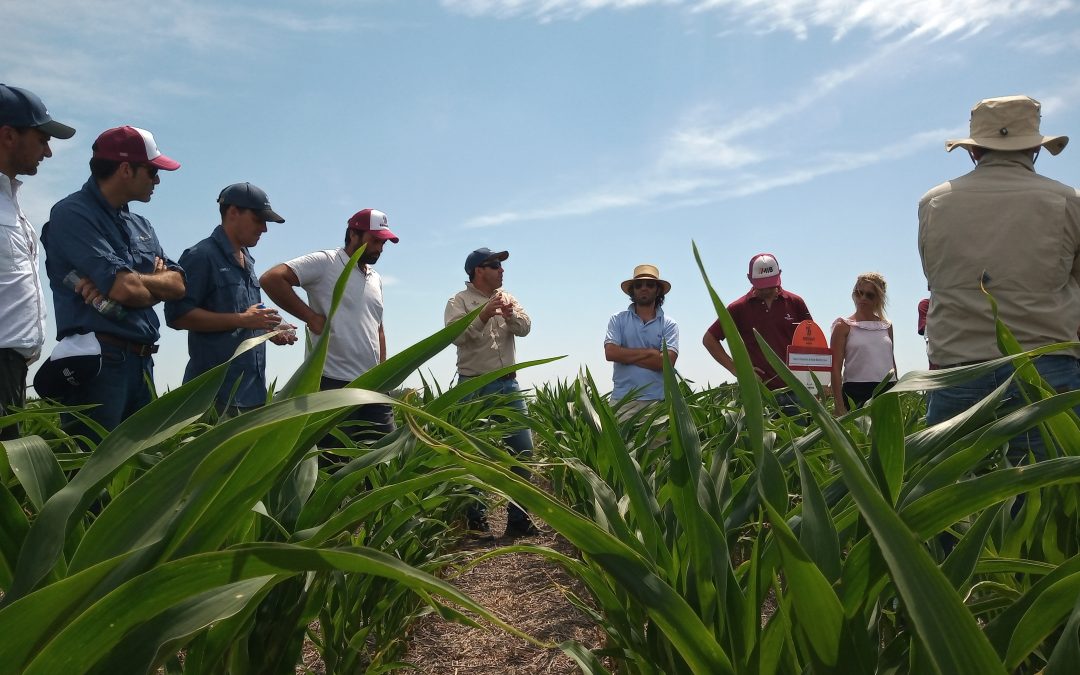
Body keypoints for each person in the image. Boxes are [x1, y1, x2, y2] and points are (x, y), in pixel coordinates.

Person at [919, 94, 1080, 459]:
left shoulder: (932, 203)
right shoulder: (1070, 202)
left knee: (950, 503)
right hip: (1044, 371)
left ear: (975, 151)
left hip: (957, 371)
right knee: (1046, 499)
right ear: (1035, 149)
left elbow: (934, 277)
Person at [42, 126, 184, 439]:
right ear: (125, 169)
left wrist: (138, 285)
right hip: (99, 363)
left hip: (142, 362)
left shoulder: (140, 223)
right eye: (152, 171)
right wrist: (151, 283)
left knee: (136, 474)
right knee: (92, 473)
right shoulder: (72, 214)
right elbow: (124, 289)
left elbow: (178, 285)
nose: (157, 180)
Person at [260, 208, 398, 445]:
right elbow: (272, 278)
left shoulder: (375, 278)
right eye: (375, 241)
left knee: (383, 459)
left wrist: (382, 372)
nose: (380, 248)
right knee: (333, 463)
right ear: (354, 235)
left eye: (383, 243)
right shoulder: (327, 262)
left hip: (373, 386)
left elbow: (378, 328)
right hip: (332, 383)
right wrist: (310, 317)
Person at [165, 183, 297, 416]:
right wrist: (242, 320)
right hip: (214, 397)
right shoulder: (201, 256)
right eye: (258, 220)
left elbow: (248, 315)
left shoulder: (247, 259)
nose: (264, 229)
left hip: (251, 392)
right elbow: (178, 316)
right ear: (233, 212)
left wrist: (271, 327)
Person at [444, 247, 538, 538]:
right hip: (473, 386)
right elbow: (455, 337)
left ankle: (518, 519)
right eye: (495, 265)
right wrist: (483, 315)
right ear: (478, 270)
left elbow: (525, 327)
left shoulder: (508, 297)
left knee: (523, 451)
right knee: (471, 454)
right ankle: (476, 521)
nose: (502, 270)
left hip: (508, 384)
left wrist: (510, 316)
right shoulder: (458, 301)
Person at [0, 84, 74, 440]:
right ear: (9, 135)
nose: (48, 150)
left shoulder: (11, 203)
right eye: (42, 137)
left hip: (11, 371)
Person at [702, 253, 812, 411]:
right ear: (749, 278)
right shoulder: (738, 308)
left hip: (797, 391)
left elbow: (813, 342)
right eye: (762, 285)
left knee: (799, 436)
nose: (767, 289)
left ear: (779, 274)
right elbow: (709, 339)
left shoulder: (795, 303)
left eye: (770, 283)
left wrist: (818, 382)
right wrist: (737, 369)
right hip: (760, 392)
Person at [603, 264, 679, 411]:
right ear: (633, 291)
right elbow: (611, 353)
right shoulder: (618, 319)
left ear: (658, 290)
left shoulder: (669, 324)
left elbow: (667, 363)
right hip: (622, 400)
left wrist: (625, 356)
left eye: (650, 285)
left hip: (657, 402)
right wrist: (651, 353)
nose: (644, 288)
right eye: (638, 285)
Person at [829, 273, 897, 415]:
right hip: (855, 393)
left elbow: (891, 361)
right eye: (859, 293)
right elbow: (835, 368)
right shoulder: (843, 325)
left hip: (887, 391)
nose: (863, 298)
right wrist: (839, 406)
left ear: (879, 298)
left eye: (869, 295)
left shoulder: (887, 326)